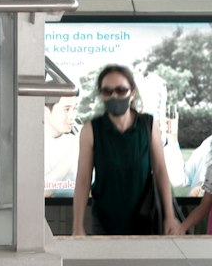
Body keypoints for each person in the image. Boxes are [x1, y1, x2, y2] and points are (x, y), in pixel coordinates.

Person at [71, 63, 182, 236]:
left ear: (132, 94)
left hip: (146, 219)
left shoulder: (148, 125)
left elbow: (160, 171)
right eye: (107, 91)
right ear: (101, 95)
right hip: (105, 222)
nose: (114, 95)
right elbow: (83, 179)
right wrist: (77, 226)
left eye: (121, 90)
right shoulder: (91, 130)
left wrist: (169, 216)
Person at [43, 91, 79, 193]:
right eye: (66, 109)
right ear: (45, 111)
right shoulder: (32, 145)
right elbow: (41, 192)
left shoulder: (73, 140)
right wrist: (76, 148)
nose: (72, 117)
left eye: (74, 109)